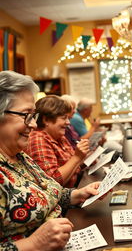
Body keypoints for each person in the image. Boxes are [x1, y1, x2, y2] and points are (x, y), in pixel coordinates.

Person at [0, 71, 102, 250]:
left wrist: (76, 195)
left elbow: (47, 192)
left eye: (34, 116)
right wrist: (33, 243)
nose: (32, 124)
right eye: (26, 115)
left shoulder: (19, 155)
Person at [27, 95, 90, 188]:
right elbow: (52, 183)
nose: (68, 122)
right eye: (64, 118)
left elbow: (74, 167)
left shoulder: (58, 136)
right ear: (46, 120)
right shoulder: (38, 139)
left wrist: (83, 157)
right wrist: (77, 157)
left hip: (74, 190)